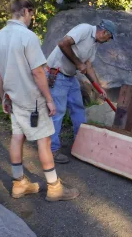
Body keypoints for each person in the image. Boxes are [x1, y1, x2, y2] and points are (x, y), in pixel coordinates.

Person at [0, 0, 79, 201]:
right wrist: (49, 99)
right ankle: (54, 188)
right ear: (26, 12)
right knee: (44, 141)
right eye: (32, 14)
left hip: (13, 98)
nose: (32, 19)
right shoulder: (28, 37)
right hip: (32, 100)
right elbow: (38, 73)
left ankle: (19, 183)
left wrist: (4, 96)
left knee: (17, 137)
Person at [46, 19, 116, 163]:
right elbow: (63, 44)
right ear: (104, 32)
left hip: (70, 77)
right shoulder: (84, 29)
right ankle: (51, 150)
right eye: (108, 38)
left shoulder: (94, 44)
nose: (107, 41)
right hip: (57, 74)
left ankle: (82, 144)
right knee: (57, 113)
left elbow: (88, 66)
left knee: (78, 108)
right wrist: (78, 63)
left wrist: (98, 88)